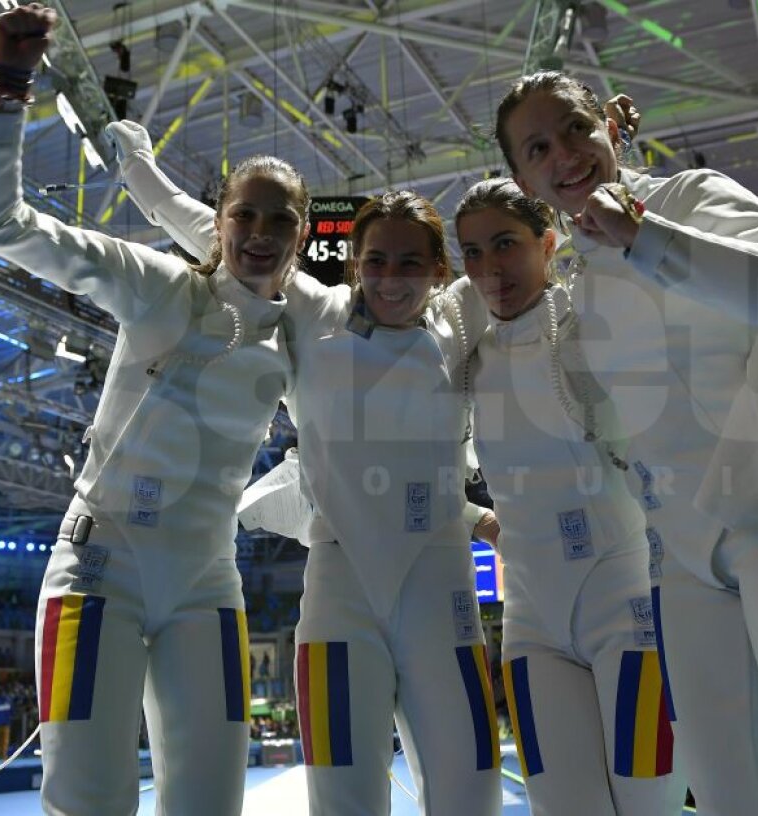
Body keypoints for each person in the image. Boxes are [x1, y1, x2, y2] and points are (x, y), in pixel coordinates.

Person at [491, 70, 758, 815]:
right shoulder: (584, 285)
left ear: (610, 130)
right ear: (524, 177)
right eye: (539, 148)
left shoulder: (688, 199)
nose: (565, 155)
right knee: (728, 798)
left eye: (577, 130)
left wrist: (644, 234)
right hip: (684, 561)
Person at [0, 5, 299, 813]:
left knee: (211, 800)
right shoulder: (156, 285)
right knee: (87, 797)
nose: (259, 232)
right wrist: (9, 86)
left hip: (206, 584)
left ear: (299, 237)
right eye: (243, 215)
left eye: (280, 219)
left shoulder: (303, 339)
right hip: (96, 573)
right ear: (217, 227)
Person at [110, 127, 502, 815]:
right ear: (354, 265)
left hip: (442, 591)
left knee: (471, 791)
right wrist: (138, 167)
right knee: (343, 797)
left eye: (411, 263)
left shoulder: (462, 318)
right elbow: (215, 230)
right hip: (338, 595)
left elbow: (528, 253)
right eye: (375, 260)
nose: (390, 277)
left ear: (440, 270)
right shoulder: (312, 313)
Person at [453, 179, 688, 815]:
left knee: (649, 807)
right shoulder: (465, 358)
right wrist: (477, 518)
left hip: (630, 607)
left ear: (548, 243)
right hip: (532, 625)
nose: (489, 267)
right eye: (471, 253)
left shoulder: (594, 322)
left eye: (506, 244)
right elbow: (402, 469)